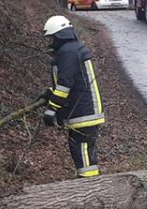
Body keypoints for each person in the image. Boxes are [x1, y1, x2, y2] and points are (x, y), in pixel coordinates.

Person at [40, 15, 105, 178]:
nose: (50, 43)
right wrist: (50, 92)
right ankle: (90, 184)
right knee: (85, 152)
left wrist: (52, 108)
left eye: (51, 38)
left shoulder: (67, 52)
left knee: (82, 151)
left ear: (58, 36)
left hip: (82, 112)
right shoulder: (73, 50)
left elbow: (65, 84)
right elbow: (73, 81)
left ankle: (88, 187)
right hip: (85, 109)